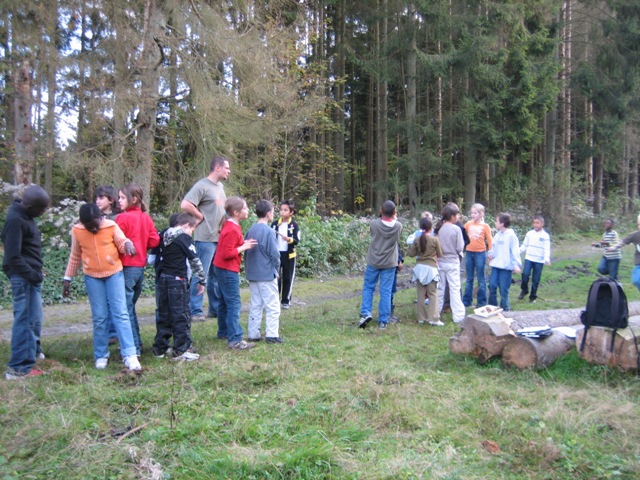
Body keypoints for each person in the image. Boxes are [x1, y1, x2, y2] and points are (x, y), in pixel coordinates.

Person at [63, 203, 142, 371]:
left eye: (95, 224)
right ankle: (101, 355)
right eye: (88, 226)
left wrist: (128, 245)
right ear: (82, 223)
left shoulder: (111, 226)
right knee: (99, 317)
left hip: (114, 273)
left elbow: (121, 242)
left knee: (120, 313)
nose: (93, 228)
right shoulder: (77, 231)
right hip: (92, 277)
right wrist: (68, 278)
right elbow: (75, 255)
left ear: (100, 218)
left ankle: (130, 354)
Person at [2, 185, 49, 380]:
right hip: (24, 278)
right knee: (25, 320)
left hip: (30, 276)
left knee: (33, 319)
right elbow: (12, 257)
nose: (43, 213)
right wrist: (32, 273)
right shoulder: (15, 220)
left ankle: (31, 355)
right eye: (41, 209)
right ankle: (18, 368)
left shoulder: (25, 217)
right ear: (30, 206)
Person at [181, 156, 230, 330]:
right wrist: (199, 216)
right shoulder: (202, 185)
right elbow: (185, 204)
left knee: (216, 275)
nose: (228, 171)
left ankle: (214, 309)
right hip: (204, 238)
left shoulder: (221, 187)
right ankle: (195, 310)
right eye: (226, 168)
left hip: (218, 238)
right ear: (217, 167)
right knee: (201, 274)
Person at [152, 213, 205, 361]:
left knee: (164, 314)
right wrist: (202, 280)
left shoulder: (162, 235)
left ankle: (160, 348)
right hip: (178, 280)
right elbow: (194, 260)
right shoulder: (184, 238)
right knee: (181, 315)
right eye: (192, 229)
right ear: (187, 225)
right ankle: (181, 350)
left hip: (162, 279)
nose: (191, 233)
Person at [116, 183, 160, 355]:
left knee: (125, 309)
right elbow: (154, 240)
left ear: (133, 199)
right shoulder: (145, 218)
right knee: (130, 307)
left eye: (122, 198)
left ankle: (133, 347)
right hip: (140, 267)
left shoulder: (122, 218)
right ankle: (135, 344)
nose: (119, 201)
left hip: (126, 266)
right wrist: (143, 245)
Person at [214, 196, 258, 350]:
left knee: (224, 302)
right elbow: (227, 253)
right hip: (227, 270)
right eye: (245, 208)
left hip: (221, 268)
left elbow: (230, 246)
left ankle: (224, 331)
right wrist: (243, 248)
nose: (247, 210)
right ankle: (235, 339)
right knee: (233, 303)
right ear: (236, 212)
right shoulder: (232, 228)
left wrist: (242, 244)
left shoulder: (231, 225)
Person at [358, 200, 403, 330]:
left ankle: (365, 313)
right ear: (394, 213)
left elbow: (374, 234)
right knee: (386, 291)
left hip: (374, 261)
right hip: (389, 263)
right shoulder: (398, 226)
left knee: (368, 288)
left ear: (380, 211)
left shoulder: (374, 224)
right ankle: (383, 320)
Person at [245, 200, 283, 344]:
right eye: (273, 211)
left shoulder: (251, 229)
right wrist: (276, 269)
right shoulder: (268, 231)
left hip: (252, 273)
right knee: (273, 305)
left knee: (256, 304)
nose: (273, 214)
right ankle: (272, 335)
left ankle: (253, 333)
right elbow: (275, 254)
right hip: (266, 274)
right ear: (268, 214)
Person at [94, 185, 120, 343]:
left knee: (114, 301)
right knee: (101, 302)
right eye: (96, 198)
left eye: (101, 197)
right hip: (97, 264)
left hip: (115, 263)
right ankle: (106, 332)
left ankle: (113, 332)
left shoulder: (118, 217)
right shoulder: (94, 217)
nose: (97, 201)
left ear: (111, 199)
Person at [407, 217, 443, 326]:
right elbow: (440, 254)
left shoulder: (417, 239)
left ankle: (421, 318)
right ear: (431, 228)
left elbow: (411, 254)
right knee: (432, 294)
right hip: (431, 268)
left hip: (419, 268)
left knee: (420, 294)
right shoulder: (434, 240)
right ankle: (433, 318)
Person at [434, 203, 466, 323]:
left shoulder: (438, 229)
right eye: (457, 215)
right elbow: (459, 247)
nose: (458, 217)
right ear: (452, 216)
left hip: (440, 261)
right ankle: (458, 316)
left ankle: (435, 313)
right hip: (452, 262)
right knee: (454, 289)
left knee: (440, 288)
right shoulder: (456, 229)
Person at [487, 213, 522, 311]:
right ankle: (492, 307)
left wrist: (515, 264)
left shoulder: (511, 236)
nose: (495, 223)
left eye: (497, 221)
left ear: (502, 223)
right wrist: (490, 255)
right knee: (492, 285)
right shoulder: (497, 235)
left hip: (506, 268)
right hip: (496, 266)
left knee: (503, 289)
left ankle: (505, 308)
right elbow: (494, 248)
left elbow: (515, 251)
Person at [271, 199, 300, 309]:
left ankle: (286, 300)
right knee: (276, 278)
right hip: (277, 255)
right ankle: (275, 299)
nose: (282, 212)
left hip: (289, 256)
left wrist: (289, 239)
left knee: (288, 278)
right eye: (281, 210)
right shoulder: (274, 224)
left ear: (291, 212)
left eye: (285, 210)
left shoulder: (294, 225)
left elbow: (297, 240)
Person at [463, 203, 493, 307]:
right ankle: (467, 301)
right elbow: (462, 234)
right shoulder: (468, 224)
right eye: (471, 213)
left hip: (480, 253)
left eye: (475, 213)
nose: (473, 215)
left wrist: (490, 253)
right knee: (469, 278)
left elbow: (490, 240)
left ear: (481, 214)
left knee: (481, 279)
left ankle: (481, 302)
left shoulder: (485, 226)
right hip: (469, 252)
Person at [518, 215, 551, 302]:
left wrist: (546, 259)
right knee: (525, 275)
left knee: (535, 279)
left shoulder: (545, 236)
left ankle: (532, 297)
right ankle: (524, 290)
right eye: (534, 223)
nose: (535, 225)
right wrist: (517, 252)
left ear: (542, 224)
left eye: (537, 223)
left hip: (539, 261)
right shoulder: (529, 234)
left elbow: (546, 248)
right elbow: (524, 245)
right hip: (529, 258)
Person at [609, 214, 640, 290]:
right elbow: (623, 241)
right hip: (639, 262)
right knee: (636, 280)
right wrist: (614, 247)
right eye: (639, 224)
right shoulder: (635, 235)